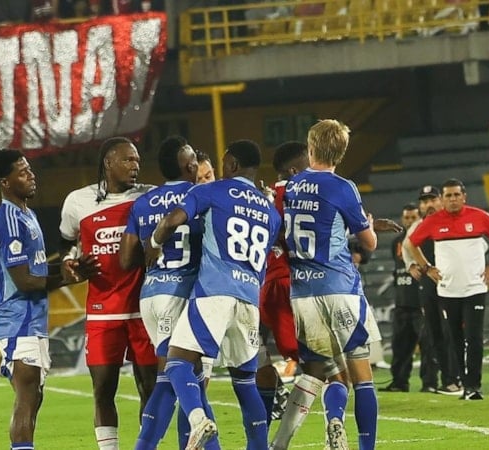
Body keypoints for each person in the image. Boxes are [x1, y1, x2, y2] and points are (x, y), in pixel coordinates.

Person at [147, 139, 280, 450]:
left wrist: (153, 244)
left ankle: (198, 420)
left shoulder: (212, 191)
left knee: (177, 362)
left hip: (214, 293)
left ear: (232, 164)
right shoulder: (270, 211)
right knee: (245, 383)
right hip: (249, 297)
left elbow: (171, 221)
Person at [0, 149, 96, 450]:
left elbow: (37, 270)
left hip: (32, 319)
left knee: (34, 394)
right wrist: (67, 278)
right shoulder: (9, 221)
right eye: (22, 172)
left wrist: (68, 268)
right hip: (16, 319)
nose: (31, 176)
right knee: (27, 393)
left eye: (30, 169)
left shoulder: (27, 215)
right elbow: (25, 281)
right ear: (5, 182)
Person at [282, 119, 381, 450]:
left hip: (302, 292)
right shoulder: (343, 187)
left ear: (311, 147)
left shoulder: (291, 186)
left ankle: (332, 419)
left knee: (328, 371)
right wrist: (368, 225)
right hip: (340, 287)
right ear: (341, 152)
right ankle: (363, 445)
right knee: (361, 375)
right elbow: (369, 243)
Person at [59, 136, 157, 450]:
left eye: (137, 160)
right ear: (108, 162)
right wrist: (70, 262)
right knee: (103, 390)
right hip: (103, 311)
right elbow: (66, 242)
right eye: (128, 159)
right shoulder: (78, 201)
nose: (135, 166)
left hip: (144, 310)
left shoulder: (149, 196)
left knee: (150, 389)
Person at [117, 136, 208, 450]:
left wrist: (152, 247)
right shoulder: (198, 195)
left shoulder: (143, 203)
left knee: (180, 377)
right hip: (180, 293)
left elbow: (125, 260)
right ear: (190, 166)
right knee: (179, 378)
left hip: (151, 294)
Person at [403, 178, 489, 401]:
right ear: (443, 199)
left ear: (464, 196)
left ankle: (475, 386)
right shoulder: (433, 221)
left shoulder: (479, 216)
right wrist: (426, 267)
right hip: (448, 290)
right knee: (455, 338)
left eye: (456, 195)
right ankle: (464, 385)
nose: (452, 199)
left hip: (475, 288)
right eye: (448, 195)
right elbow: (411, 243)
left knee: (474, 337)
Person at [256, 141, 309, 429]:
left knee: (253, 356)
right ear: (294, 170)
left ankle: (271, 399)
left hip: (261, 284)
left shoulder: (264, 198)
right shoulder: (304, 193)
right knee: (318, 363)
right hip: (289, 282)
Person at [402, 185, 456, 394]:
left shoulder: (451, 219)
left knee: (451, 331)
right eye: (425, 201)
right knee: (434, 332)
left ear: (440, 200)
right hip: (429, 284)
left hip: (452, 282)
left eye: (432, 200)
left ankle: (456, 378)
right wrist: (412, 265)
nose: (429, 204)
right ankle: (446, 379)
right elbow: (407, 246)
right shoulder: (418, 226)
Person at [379, 203, 421, 392]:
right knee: (400, 346)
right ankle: (399, 382)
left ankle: (430, 384)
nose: (410, 221)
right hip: (402, 303)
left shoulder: (425, 238)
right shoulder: (396, 241)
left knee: (428, 347)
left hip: (420, 303)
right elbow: (397, 271)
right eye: (407, 218)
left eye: (414, 217)